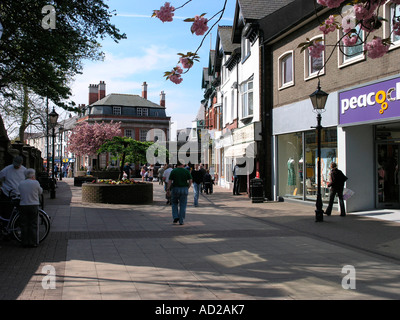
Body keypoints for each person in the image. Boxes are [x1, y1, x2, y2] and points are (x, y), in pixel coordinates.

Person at [18, 169, 43, 248]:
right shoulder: (35, 183)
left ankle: (24, 242)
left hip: (23, 205)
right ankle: (33, 242)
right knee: (33, 224)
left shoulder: (21, 183)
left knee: (24, 224)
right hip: (33, 205)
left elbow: (19, 192)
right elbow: (40, 191)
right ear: (33, 175)